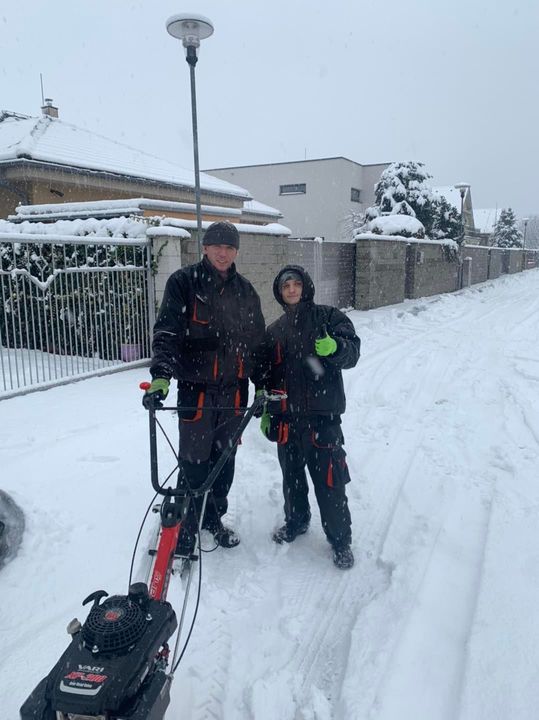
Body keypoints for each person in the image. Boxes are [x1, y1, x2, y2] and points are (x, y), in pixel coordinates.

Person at [143, 221, 265, 554]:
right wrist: (161, 376)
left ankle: (213, 519)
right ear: (206, 248)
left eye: (229, 247)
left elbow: (257, 346)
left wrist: (263, 386)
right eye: (217, 246)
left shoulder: (246, 292)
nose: (223, 253)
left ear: (236, 251)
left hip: (234, 393)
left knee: (224, 462)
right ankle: (185, 527)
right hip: (196, 391)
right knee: (195, 463)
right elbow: (167, 332)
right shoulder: (184, 283)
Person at [254, 265, 360, 569]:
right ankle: (297, 521)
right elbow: (264, 374)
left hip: (322, 421)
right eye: (285, 285)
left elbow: (352, 352)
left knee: (330, 483)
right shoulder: (274, 332)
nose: (291, 289)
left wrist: (335, 347)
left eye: (295, 283)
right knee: (292, 480)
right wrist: (264, 409)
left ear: (305, 286)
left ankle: (340, 541)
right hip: (286, 420)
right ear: (279, 291)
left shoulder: (328, 317)